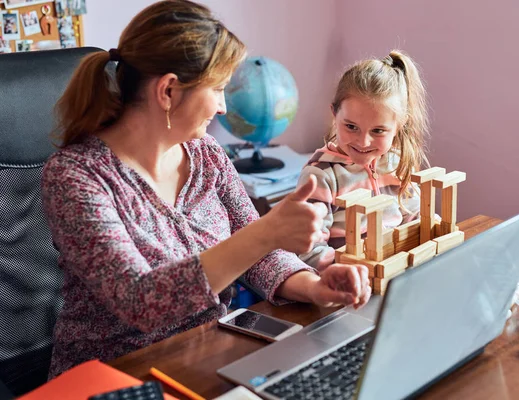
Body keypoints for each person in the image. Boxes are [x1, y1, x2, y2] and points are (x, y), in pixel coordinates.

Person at [41, 0, 371, 379]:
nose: (223, 106)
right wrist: (266, 231)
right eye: (217, 89)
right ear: (167, 91)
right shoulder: (76, 176)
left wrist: (314, 286)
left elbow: (260, 256)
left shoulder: (206, 154)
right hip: (116, 375)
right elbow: (140, 302)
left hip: (205, 355)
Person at [297, 51, 430, 270]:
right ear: (334, 114)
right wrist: (359, 268)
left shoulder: (397, 162)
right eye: (351, 127)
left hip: (397, 276)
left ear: (400, 125)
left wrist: (429, 229)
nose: (363, 141)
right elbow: (309, 253)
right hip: (349, 285)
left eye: (378, 130)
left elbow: (413, 219)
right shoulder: (319, 176)